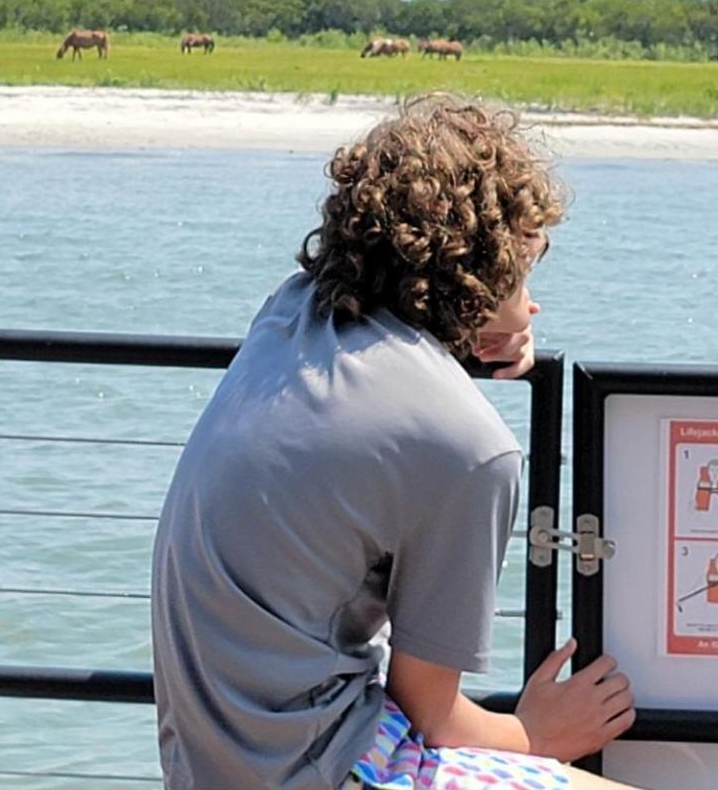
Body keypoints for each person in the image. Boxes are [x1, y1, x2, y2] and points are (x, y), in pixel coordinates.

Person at [151, 94, 638, 790]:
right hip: (316, 771)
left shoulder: (291, 309)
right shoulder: (472, 446)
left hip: (209, 758)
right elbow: (433, 715)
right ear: (486, 265)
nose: (533, 300)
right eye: (529, 262)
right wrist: (539, 735)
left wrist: (473, 329)